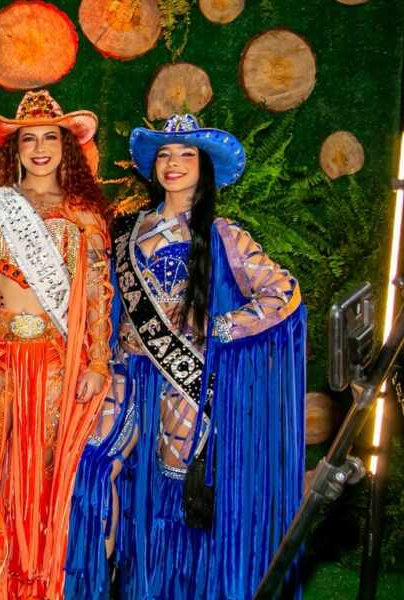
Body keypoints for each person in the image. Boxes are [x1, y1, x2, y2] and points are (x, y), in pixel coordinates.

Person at [114, 114, 306, 599]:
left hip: (186, 383)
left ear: (204, 167)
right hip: (126, 376)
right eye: (164, 154)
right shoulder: (127, 231)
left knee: (178, 496)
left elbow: (283, 293)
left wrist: (221, 326)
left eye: (186, 154)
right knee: (111, 477)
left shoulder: (223, 234)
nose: (173, 163)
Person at [0, 90, 113, 599]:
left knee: (35, 476)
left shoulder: (83, 215)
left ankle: (27, 587)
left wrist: (98, 362)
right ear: (14, 149)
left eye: (49, 138)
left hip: (52, 361)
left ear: (65, 147)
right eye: (28, 140)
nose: (39, 149)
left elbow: (98, 293)